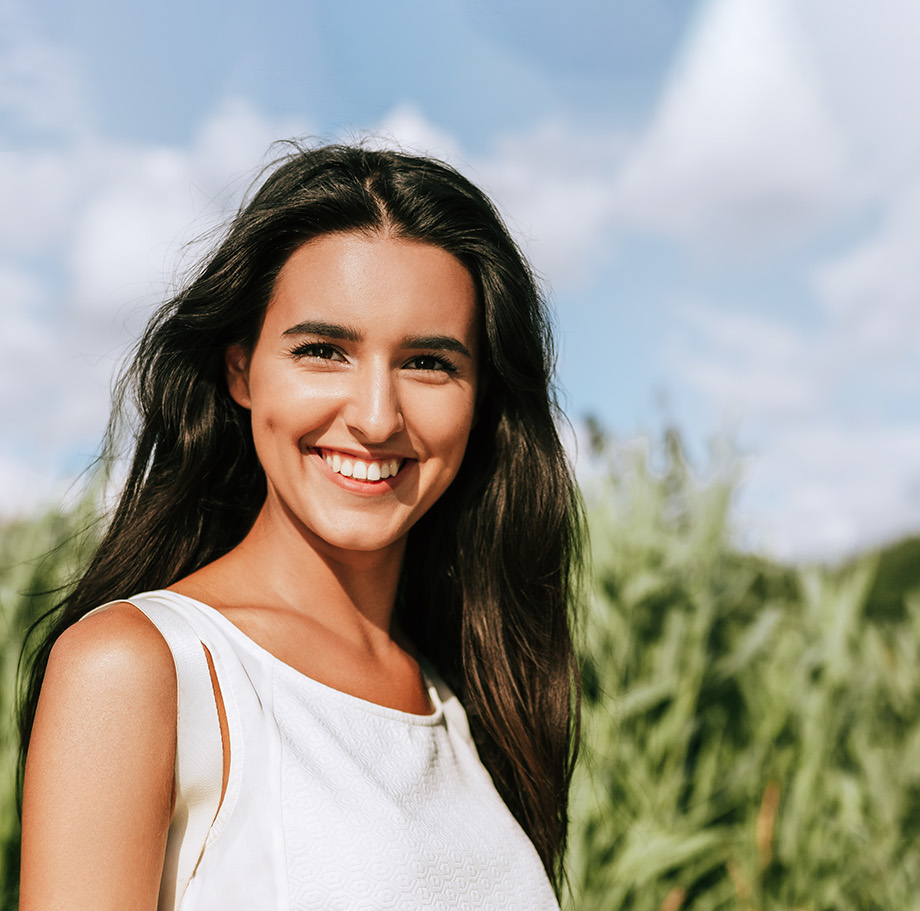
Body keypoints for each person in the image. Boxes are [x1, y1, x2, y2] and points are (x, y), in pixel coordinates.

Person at [16, 144, 582, 910]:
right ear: (240, 368)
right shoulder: (140, 667)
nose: (376, 416)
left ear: (480, 396)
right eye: (323, 351)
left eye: (427, 363)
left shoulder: (459, 697)